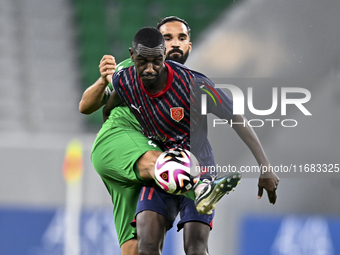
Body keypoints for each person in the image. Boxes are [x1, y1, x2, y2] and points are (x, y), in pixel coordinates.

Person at [103, 26, 279, 255]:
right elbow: (108, 111)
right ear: (131, 56)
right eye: (142, 61)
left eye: (156, 61)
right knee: (146, 247)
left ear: (164, 55)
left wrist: (265, 167)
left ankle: (206, 190)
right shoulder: (124, 80)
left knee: (194, 249)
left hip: (200, 171)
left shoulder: (194, 85)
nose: (149, 69)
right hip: (162, 170)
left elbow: (236, 118)